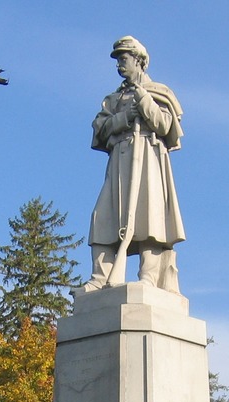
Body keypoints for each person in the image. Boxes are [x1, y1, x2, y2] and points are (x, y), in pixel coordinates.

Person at [80, 36, 185, 293]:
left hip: (148, 157)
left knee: (150, 217)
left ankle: (149, 276)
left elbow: (165, 125)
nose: (119, 65)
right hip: (119, 160)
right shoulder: (114, 99)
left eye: (124, 59)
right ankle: (100, 276)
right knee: (103, 217)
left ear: (139, 61)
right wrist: (125, 117)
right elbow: (100, 129)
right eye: (117, 60)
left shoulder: (159, 92)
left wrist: (144, 101)